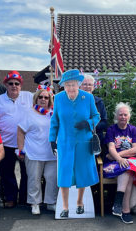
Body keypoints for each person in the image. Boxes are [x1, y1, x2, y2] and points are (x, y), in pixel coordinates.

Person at [49, 69, 100, 218]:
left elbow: (97, 116)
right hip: (65, 142)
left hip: (84, 141)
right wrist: (52, 140)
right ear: (63, 86)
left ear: (79, 84)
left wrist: (88, 123)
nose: (71, 88)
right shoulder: (58, 98)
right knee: (64, 173)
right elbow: (55, 121)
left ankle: (79, 202)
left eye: (73, 84)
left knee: (82, 172)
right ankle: (65, 207)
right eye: (67, 85)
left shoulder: (88, 98)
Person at [0, 71, 33, 208]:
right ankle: (10, 197)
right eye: (11, 83)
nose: (14, 86)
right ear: (6, 85)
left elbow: (44, 105)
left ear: (21, 85)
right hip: (5, 144)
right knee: (7, 172)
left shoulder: (29, 96)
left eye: (17, 83)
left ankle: (25, 198)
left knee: (27, 172)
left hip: (26, 144)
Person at [103, 102, 136, 224]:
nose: (123, 117)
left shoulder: (132, 129)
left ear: (129, 116)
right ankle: (125, 211)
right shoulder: (112, 129)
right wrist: (120, 159)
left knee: (127, 167)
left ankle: (118, 203)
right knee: (127, 170)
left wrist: (117, 156)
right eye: (120, 114)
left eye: (125, 114)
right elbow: (111, 147)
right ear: (116, 116)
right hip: (112, 165)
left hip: (122, 160)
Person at [17, 86, 58, 215]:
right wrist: (21, 149)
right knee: (34, 179)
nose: (43, 99)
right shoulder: (29, 113)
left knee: (52, 178)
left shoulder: (54, 114)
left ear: (50, 99)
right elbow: (20, 131)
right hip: (33, 152)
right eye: (40, 97)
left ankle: (51, 202)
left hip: (51, 153)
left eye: (46, 97)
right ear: (36, 98)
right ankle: (35, 203)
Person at [80, 74, 108, 144]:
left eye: (90, 85)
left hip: (96, 139)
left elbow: (104, 122)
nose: (87, 87)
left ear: (93, 87)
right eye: (85, 84)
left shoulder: (99, 102)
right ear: (80, 86)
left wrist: (89, 126)